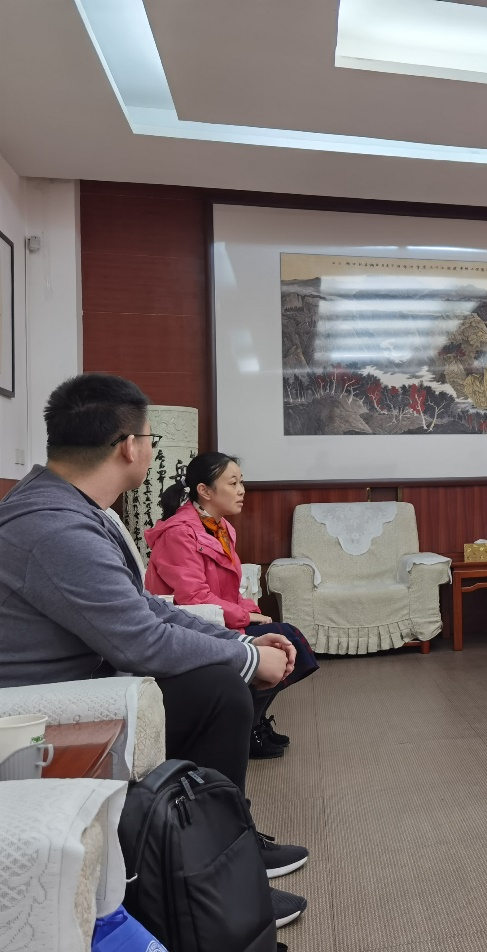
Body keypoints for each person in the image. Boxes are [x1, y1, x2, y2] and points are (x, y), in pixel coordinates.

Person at [0, 373, 309, 928]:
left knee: (220, 682)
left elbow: (147, 609)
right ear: (129, 446)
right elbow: (141, 640)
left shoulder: (71, 507)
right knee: (219, 692)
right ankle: (209, 886)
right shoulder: (55, 527)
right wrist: (245, 660)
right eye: (149, 439)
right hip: (37, 719)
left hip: (87, 681)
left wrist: (240, 643)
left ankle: (223, 850)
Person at [145, 452, 318, 760]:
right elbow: (193, 598)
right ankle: (248, 728)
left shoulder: (219, 527)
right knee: (283, 641)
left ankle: (252, 723)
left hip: (218, 618)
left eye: (241, 482)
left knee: (286, 639)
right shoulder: (179, 533)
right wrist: (244, 615)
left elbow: (227, 590)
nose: (241, 491)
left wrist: (251, 610)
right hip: (191, 625)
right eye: (233, 483)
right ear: (204, 490)